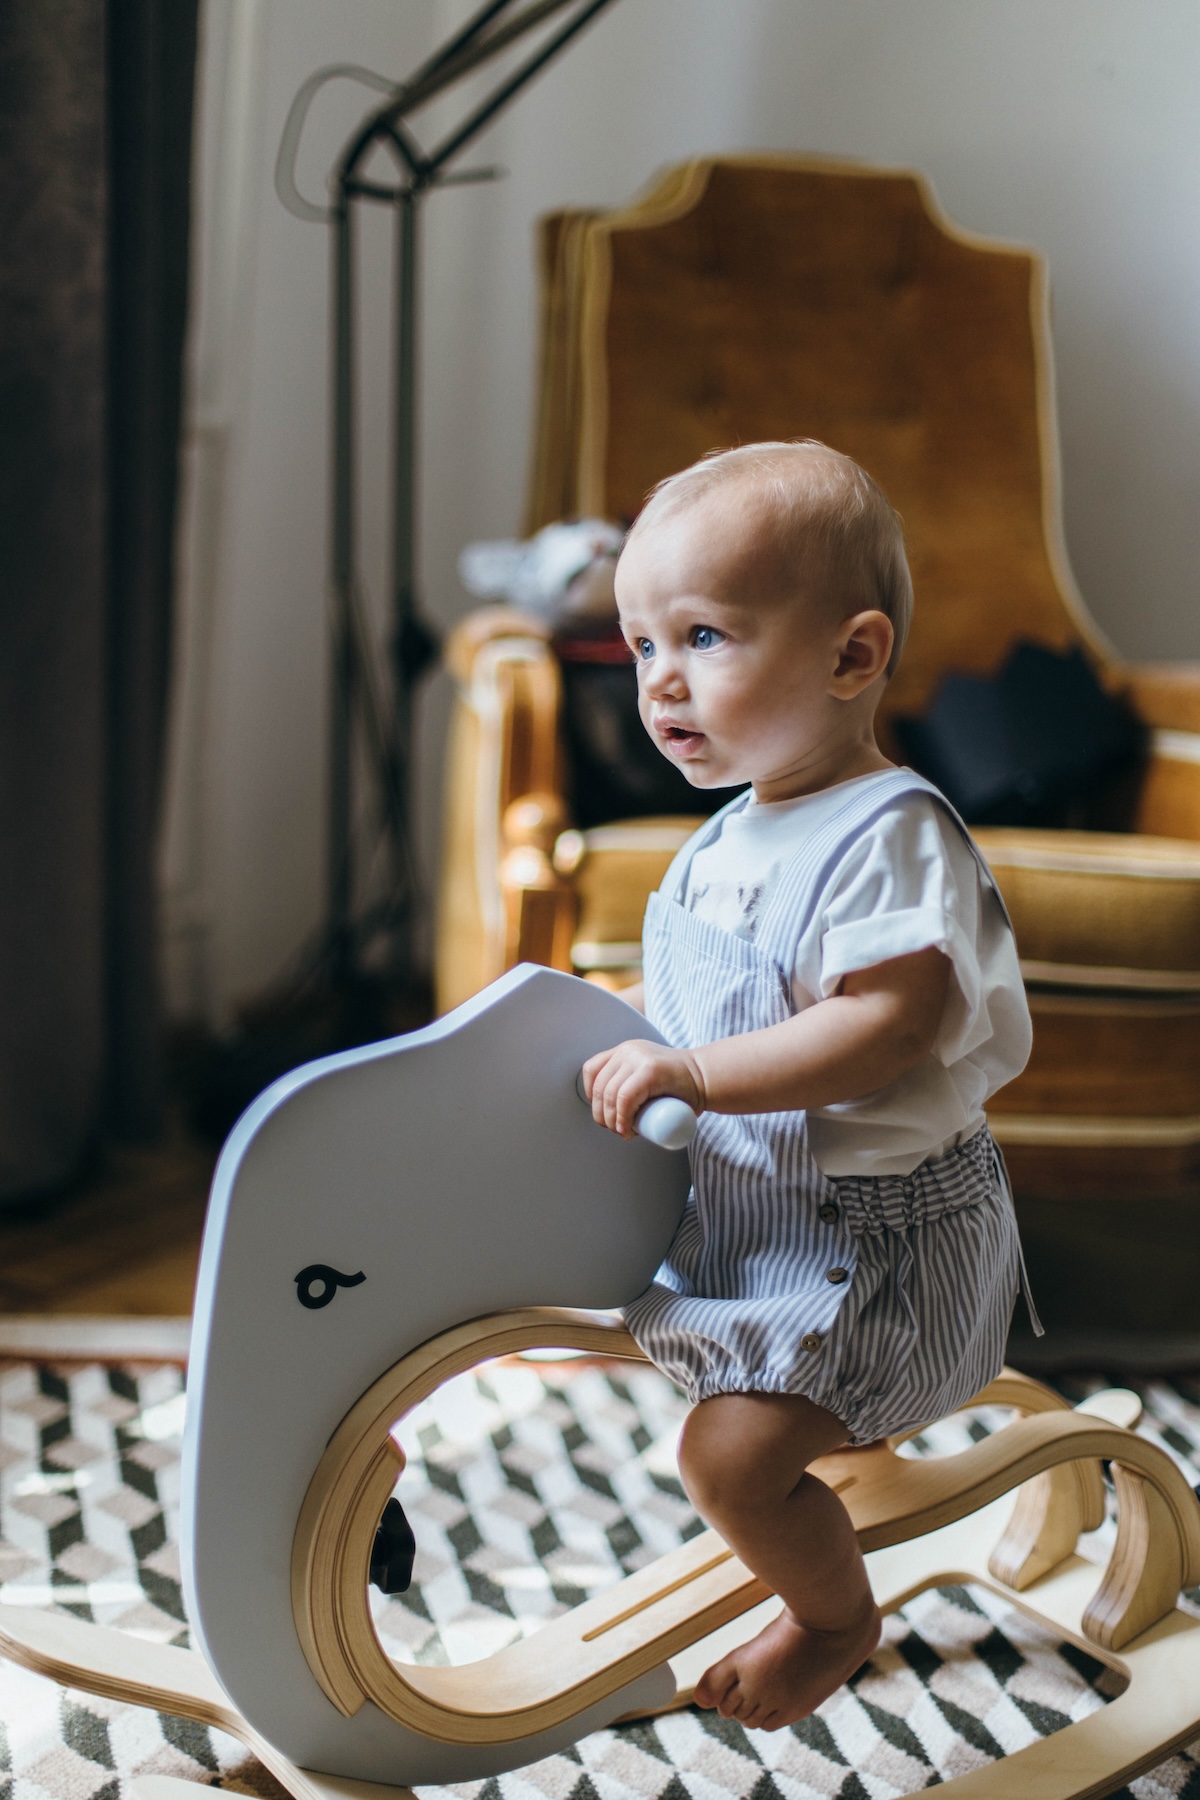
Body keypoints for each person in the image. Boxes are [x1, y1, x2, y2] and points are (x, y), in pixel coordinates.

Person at [581, 441, 1035, 1732]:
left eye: (706, 636)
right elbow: (701, 1002)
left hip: (874, 1257)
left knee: (725, 1458)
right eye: (640, 645)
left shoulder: (889, 833)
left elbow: (886, 1028)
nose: (661, 680)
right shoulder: (733, 830)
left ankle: (834, 1617)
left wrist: (692, 1071)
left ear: (852, 658)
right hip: (758, 1220)